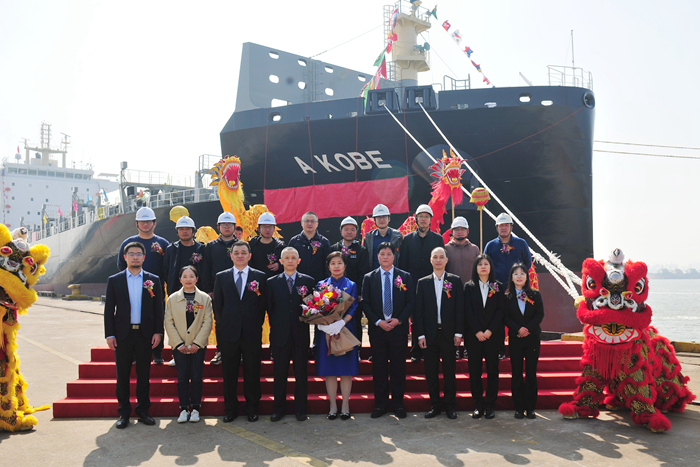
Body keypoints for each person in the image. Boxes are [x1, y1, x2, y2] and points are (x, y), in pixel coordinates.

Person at [104, 242, 164, 429]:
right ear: (125, 257)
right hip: (123, 334)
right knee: (122, 375)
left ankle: (143, 411)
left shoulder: (153, 280)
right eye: (131, 254)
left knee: (144, 375)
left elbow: (159, 309)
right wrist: (109, 334)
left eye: (139, 254)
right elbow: (109, 310)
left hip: (145, 334)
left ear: (144, 258)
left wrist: (158, 332)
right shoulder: (115, 280)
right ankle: (123, 413)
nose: (135, 257)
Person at [214, 241, 268, 423]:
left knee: (252, 372)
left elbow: (262, 305)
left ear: (249, 256)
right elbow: (218, 305)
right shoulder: (221, 277)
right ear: (231, 255)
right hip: (229, 333)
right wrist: (224, 326)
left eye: (243, 252)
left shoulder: (260, 277)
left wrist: (255, 324)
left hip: (251, 332)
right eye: (236, 252)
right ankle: (230, 410)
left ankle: (252, 408)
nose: (240, 256)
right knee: (229, 373)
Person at [362, 242, 414, 419]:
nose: (385, 257)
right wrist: (378, 322)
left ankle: (398, 405)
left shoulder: (405, 276)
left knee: (399, 368)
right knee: (379, 368)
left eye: (389, 254)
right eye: (382, 254)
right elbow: (365, 303)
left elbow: (410, 302)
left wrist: (399, 320)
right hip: (378, 331)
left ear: (394, 256)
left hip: (398, 330)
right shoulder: (369, 278)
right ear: (377, 256)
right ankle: (381, 405)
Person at [266, 247, 317, 422]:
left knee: (301, 375)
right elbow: (270, 308)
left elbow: (312, 307)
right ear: (280, 261)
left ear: (298, 261)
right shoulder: (271, 282)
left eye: (293, 258)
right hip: (280, 335)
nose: (290, 260)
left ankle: (301, 410)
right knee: (279, 374)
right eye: (286, 258)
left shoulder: (308, 281)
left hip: (300, 334)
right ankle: (278, 410)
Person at [414, 247, 464, 420]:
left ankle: (450, 406)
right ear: (430, 260)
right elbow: (418, 311)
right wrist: (420, 335)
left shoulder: (455, 281)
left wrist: (459, 332)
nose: (438, 260)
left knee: (450, 372)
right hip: (429, 335)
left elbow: (460, 309)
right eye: (435, 257)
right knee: (431, 372)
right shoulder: (423, 282)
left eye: (441, 257)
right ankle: (435, 405)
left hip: (449, 334)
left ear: (446, 260)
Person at [117, 206, 169, 364]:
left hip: (156, 289)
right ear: (137, 224)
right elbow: (121, 265)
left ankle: (157, 353)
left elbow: (168, 267)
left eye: (148, 221)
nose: (145, 224)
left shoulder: (163, 243)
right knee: (134, 319)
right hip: (133, 287)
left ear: (154, 223)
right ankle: (134, 354)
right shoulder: (128, 243)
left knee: (157, 318)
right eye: (142, 222)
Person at [164, 266, 212, 423]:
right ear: (180, 279)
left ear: (197, 279)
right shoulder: (172, 299)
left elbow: (207, 322)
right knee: (182, 377)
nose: (188, 279)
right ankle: (184, 409)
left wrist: (197, 343)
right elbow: (169, 322)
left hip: (198, 346)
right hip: (180, 346)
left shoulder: (205, 298)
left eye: (192, 276)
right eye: (185, 276)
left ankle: (196, 408)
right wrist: (178, 344)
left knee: (197, 377)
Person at [316, 251, 360, 420]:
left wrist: (342, 322)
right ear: (328, 266)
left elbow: (353, 307)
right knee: (330, 371)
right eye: (333, 263)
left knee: (346, 370)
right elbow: (317, 306)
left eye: (339, 263)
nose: (336, 266)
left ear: (345, 266)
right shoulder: (321, 284)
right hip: (327, 332)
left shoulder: (351, 284)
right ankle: (333, 405)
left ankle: (346, 405)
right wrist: (322, 323)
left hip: (345, 329)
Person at [483, 212, 532, 360]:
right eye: (500, 225)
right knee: (497, 321)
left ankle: (518, 349)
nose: (503, 228)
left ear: (511, 226)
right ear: (496, 227)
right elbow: (486, 265)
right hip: (496, 290)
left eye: (506, 225)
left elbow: (527, 263)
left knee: (517, 318)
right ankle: (500, 350)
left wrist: (518, 281)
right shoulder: (490, 246)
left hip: (517, 289)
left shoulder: (521, 244)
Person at [399, 204, 445, 363]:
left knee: (432, 315)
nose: (423, 219)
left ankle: (431, 349)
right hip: (412, 284)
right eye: (421, 216)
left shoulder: (438, 239)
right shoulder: (407, 239)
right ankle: (416, 350)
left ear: (431, 220)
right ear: (416, 219)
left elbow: (442, 262)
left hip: (432, 284)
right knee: (415, 318)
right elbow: (403, 264)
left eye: (426, 217)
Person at [463, 254, 504, 420]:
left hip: (492, 336)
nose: (483, 267)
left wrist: (489, 331)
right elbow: (467, 311)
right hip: (474, 336)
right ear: (475, 267)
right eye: (480, 264)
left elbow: (500, 311)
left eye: (486, 263)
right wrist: (477, 331)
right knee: (475, 371)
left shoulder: (498, 286)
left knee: (493, 370)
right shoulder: (469, 287)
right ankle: (478, 405)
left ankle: (490, 406)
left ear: (490, 266)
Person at [503, 262, 544, 420]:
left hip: (532, 338)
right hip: (516, 339)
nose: (519, 276)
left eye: (522, 273)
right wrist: (518, 329)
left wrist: (527, 329)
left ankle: (530, 408)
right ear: (511, 278)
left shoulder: (535, 295)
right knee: (517, 373)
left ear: (527, 277)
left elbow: (539, 314)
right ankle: (519, 408)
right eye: (516, 274)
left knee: (531, 373)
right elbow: (505, 317)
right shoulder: (507, 297)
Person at [162, 216, 205, 366]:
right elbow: (166, 269)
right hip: (177, 293)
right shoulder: (171, 249)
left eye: (187, 229)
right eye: (181, 229)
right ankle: (177, 354)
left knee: (197, 323)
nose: (184, 231)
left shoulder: (201, 249)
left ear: (193, 231)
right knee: (177, 323)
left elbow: (206, 269)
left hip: (197, 293)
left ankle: (197, 353)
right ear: (177, 231)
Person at [288, 211, 331, 357]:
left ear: (317, 224)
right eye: (307, 220)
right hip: (298, 287)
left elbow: (328, 265)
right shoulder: (294, 241)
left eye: (312, 221)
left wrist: (326, 287)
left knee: (319, 318)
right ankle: (301, 348)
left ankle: (317, 347)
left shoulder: (324, 242)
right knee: (299, 318)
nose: (309, 224)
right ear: (301, 223)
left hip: (318, 288)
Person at [199, 211, 238, 366]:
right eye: (223, 224)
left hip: (238, 290)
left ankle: (239, 352)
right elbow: (206, 269)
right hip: (217, 292)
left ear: (235, 227)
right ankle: (221, 351)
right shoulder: (211, 246)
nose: (227, 227)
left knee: (239, 321)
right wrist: (209, 290)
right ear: (218, 227)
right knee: (220, 322)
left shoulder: (241, 246)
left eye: (230, 224)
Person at [330, 216, 370, 347]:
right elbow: (328, 271)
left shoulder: (362, 250)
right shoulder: (333, 248)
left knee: (355, 321)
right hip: (334, 294)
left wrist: (359, 293)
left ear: (356, 232)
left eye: (352, 229)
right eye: (346, 229)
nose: (349, 232)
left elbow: (363, 273)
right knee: (335, 321)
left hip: (354, 295)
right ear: (341, 231)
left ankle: (356, 350)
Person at [444, 216, 480, 360]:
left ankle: (468, 349)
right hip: (451, 292)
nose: (460, 232)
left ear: (468, 231)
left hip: (471, 292)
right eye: (457, 229)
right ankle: (454, 349)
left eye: (462, 229)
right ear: (451, 231)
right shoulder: (446, 249)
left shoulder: (475, 249)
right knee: (452, 322)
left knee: (470, 322)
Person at [364, 204, 402, 270]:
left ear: (389, 218)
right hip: (374, 273)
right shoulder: (368, 238)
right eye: (378, 217)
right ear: (374, 220)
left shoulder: (397, 236)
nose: (381, 220)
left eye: (384, 217)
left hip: (392, 273)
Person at [249, 212, 285, 280]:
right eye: (264, 227)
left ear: (274, 228)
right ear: (259, 228)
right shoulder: (252, 244)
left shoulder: (280, 246)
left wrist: (279, 265)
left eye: (270, 227)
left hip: (274, 281)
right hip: (255, 282)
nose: (267, 230)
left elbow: (287, 263)